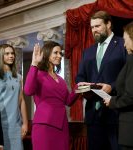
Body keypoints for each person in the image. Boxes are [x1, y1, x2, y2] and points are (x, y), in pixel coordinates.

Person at [76, 11, 127, 150]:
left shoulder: (123, 44)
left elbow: (129, 75)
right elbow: (80, 76)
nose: (94, 30)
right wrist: (82, 87)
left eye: (97, 26)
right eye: (92, 27)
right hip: (93, 116)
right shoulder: (88, 52)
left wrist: (112, 86)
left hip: (116, 114)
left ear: (108, 24)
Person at [24, 41, 79, 150]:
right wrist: (34, 63)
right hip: (44, 125)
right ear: (47, 54)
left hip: (62, 126)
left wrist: (79, 88)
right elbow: (28, 91)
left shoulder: (61, 80)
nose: (59, 56)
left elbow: (68, 101)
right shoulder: (38, 74)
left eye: (60, 53)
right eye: (56, 53)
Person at [104, 21, 133, 150]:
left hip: (130, 131)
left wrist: (112, 101)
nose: (124, 43)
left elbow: (130, 96)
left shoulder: (132, 60)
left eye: (126, 40)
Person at [0, 44, 28, 150]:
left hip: (15, 124)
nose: (11, 56)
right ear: (1, 56)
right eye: (7, 54)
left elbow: (22, 100)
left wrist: (25, 123)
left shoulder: (18, 77)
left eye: (12, 53)